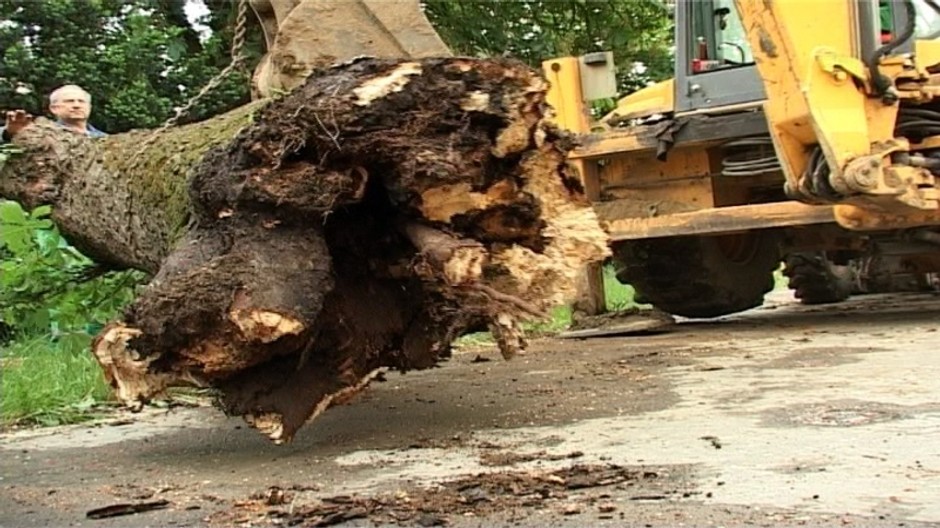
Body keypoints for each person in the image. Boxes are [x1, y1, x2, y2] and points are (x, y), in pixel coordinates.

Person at [1, 84, 106, 142]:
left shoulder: (105, 139)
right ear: (53, 108)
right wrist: (9, 134)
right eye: (69, 101)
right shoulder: (41, 133)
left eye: (81, 101)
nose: (76, 105)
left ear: (89, 107)